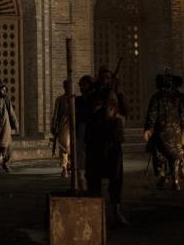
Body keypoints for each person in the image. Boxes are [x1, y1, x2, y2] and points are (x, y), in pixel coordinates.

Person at [84, 81, 128, 226]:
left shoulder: (116, 117)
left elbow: (119, 134)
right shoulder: (94, 110)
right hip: (97, 148)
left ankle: (115, 212)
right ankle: (96, 212)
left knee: (115, 181)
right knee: (95, 181)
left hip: (112, 149)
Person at [144, 73, 184, 190]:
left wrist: (149, 128)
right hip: (175, 133)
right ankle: (175, 180)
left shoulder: (156, 97)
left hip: (161, 133)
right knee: (175, 156)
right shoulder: (176, 97)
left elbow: (152, 114)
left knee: (160, 155)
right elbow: (183, 116)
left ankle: (163, 177)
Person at [51, 75, 92, 182]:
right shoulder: (60, 99)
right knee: (64, 147)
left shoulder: (75, 99)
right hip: (64, 126)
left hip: (75, 125)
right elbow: (56, 114)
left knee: (74, 147)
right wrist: (54, 126)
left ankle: (71, 165)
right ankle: (64, 167)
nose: (67, 88)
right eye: (66, 86)